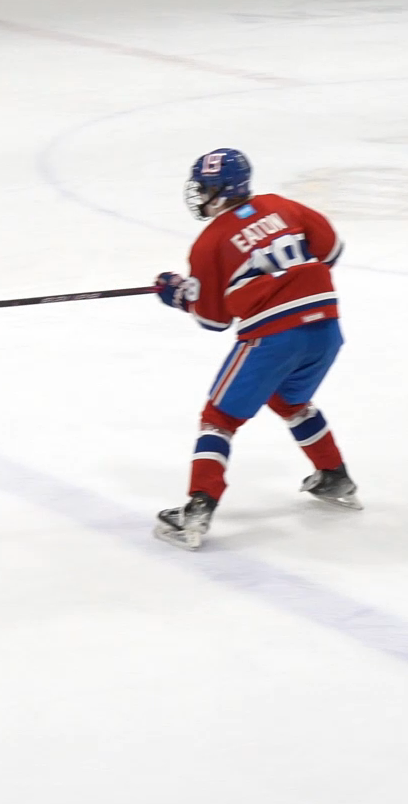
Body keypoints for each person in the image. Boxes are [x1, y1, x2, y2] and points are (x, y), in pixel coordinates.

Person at [152, 148, 359, 550]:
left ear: (221, 190)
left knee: (219, 417)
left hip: (273, 336)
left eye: (205, 187)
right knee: (288, 399)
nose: (199, 195)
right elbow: (331, 248)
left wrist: (179, 295)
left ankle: (197, 510)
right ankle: (335, 476)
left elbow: (213, 319)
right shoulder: (282, 205)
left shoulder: (209, 242)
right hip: (326, 326)